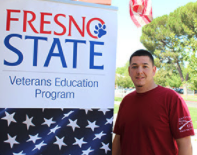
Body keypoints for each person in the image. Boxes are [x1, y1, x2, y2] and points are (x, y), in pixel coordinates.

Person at [112, 49, 195, 155]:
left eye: (145, 66)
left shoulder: (171, 99)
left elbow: (185, 144)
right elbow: (118, 139)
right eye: (134, 66)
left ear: (154, 70)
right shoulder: (126, 101)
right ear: (129, 71)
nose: (139, 71)